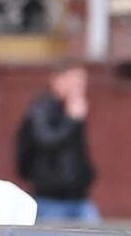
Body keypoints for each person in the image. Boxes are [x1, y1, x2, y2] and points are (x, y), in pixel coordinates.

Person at [16, 65, 99, 222]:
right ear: (58, 80)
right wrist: (71, 120)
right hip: (52, 197)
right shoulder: (42, 108)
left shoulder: (71, 109)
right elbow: (47, 141)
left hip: (78, 196)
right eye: (74, 83)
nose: (79, 89)